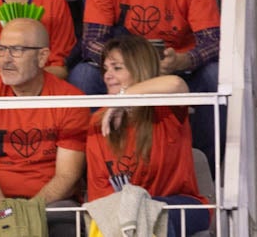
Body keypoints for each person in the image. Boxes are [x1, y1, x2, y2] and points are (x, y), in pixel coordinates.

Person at [75, 0, 220, 162]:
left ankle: (206, 167)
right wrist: (126, 67)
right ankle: (100, 163)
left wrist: (184, 60)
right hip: (123, 67)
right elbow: (92, 42)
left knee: (215, 75)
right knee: (83, 75)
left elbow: (213, 41)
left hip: (176, 68)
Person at [0, 18, 86, 237]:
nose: (5, 59)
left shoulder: (70, 99)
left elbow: (67, 175)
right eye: (1, 49)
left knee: (65, 218)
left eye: (16, 50)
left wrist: (30, 212)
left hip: (52, 202)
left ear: (42, 57)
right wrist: (7, 212)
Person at [85, 34, 208, 237]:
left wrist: (125, 97)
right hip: (125, 217)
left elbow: (177, 85)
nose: (107, 75)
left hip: (182, 205)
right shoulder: (99, 121)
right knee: (125, 215)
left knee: (145, 212)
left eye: (117, 68)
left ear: (139, 69)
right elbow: (101, 194)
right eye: (105, 69)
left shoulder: (165, 110)